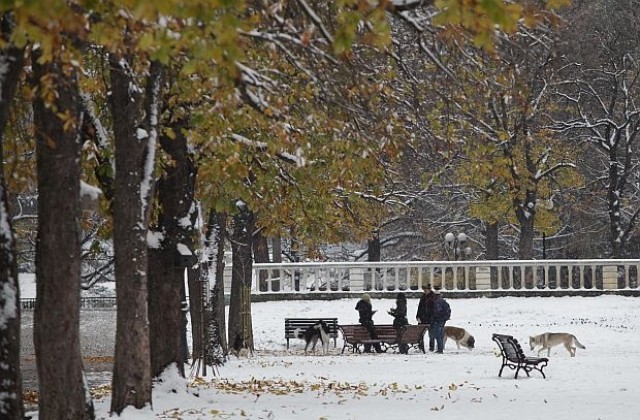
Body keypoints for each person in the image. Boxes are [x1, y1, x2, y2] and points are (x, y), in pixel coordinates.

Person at [429, 287, 451, 354]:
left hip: (437, 320)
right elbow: (448, 311)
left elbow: (436, 312)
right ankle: (440, 348)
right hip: (442, 320)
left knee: (438, 335)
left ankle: (440, 349)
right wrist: (445, 318)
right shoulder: (443, 302)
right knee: (440, 334)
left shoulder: (436, 302)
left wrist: (433, 318)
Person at [416, 284, 436, 351]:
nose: (424, 292)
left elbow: (434, 309)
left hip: (430, 319)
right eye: (424, 290)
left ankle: (431, 347)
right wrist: (418, 316)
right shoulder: (423, 297)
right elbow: (420, 307)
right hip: (423, 318)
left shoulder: (433, 297)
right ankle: (421, 347)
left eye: (426, 290)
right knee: (420, 334)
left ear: (429, 290)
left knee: (431, 335)